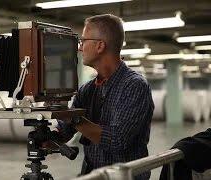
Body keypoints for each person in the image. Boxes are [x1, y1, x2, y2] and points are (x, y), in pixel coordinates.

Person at [55, 14, 155, 180]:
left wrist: (73, 118)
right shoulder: (87, 90)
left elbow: (117, 141)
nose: (80, 48)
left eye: (83, 41)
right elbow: (66, 129)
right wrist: (51, 135)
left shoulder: (134, 86)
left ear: (100, 46)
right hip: (93, 175)